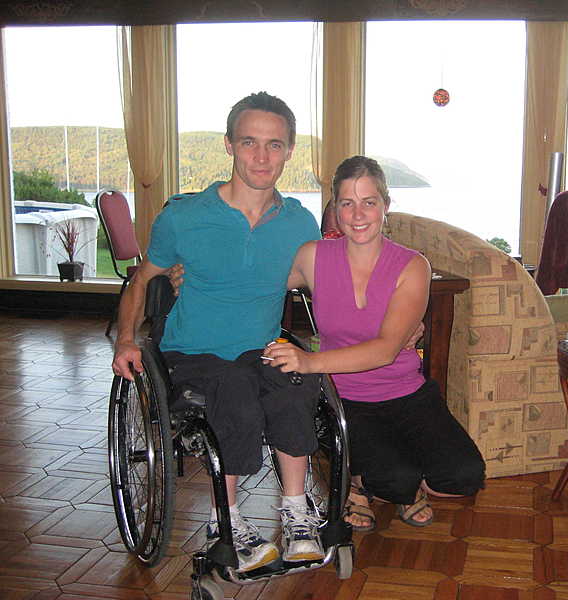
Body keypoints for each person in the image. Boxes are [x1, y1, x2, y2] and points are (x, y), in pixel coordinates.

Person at [111, 91, 324, 571]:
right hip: (193, 351)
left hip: (260, 347)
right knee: (236, 389)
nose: (261, 156)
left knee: (297, 381)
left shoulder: (298, 222)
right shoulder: (184, 217)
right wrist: (126, 339)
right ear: (229, 145)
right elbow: (141, 280)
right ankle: (223, 521)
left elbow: (318, 283)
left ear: (290, 150)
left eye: (274, 144)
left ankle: (295, 512)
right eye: (249, 142)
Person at [264, 155, 485, 530]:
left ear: (386, 205)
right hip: (346, 397)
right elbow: (254, 283)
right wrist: (190, 272)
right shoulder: (312, 257)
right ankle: (361, 487)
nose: (357, 214)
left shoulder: (413, 265)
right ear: (334, 209)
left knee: (465, 476)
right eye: (346, 203)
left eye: (369, 202)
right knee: (395, 479)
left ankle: (396, 480)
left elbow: (385, 350)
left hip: (407, 392)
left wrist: (309, 360)